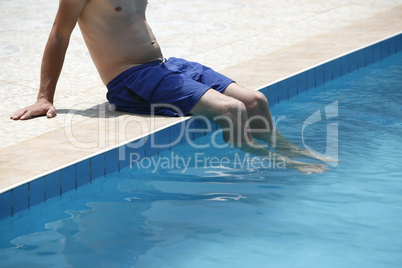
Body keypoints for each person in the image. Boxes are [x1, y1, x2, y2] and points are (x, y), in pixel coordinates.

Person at [10, 0, 330, 174]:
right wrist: (44, 97)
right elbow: (58, 34)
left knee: (256, 101)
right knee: (231, 110)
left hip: (166, 66)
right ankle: (281, 164)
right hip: (131, 78)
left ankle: (291, 150)